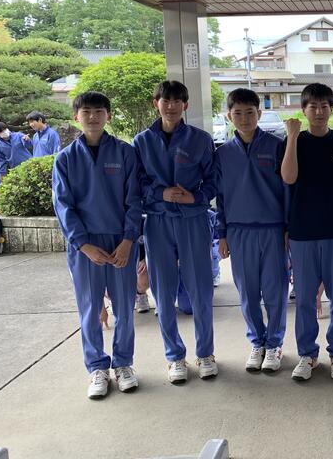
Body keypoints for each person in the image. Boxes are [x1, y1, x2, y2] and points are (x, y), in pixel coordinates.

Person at [52, 91, 142, 399]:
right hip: (85, 246)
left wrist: (129, 240)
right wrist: (83, 244)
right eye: (86, 111)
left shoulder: (125, 153)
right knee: (90, 310)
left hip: (121, 242)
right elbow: (63, 205)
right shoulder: (66, 159)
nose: (92, 116)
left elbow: (134, 200)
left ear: (108, 116)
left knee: (125, 308)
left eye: (99, 111)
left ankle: (124, 364)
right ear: (76, 116)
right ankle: (97, 368)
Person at [133, 80, 218, 384]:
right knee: (163, 290)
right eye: (165, 100)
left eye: (176, 101)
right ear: (156, 104)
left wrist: (196, 196)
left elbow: (214, 180)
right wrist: (160, 193)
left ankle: (206, 353)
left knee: (201, 290)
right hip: (158, 221)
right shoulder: (142, 141)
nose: (170, 106)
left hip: (193, 219)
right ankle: (174, 356)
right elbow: (136, 181)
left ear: (186, 105)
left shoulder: (200, 139)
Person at [282, 83, 333, 381]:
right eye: (313, 106)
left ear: (332, 109)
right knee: (305, 298)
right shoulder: (294, 141)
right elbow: (289, 178)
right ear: (304, 110)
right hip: (302, 232)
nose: (319, 111)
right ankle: (307, 354)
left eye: (324, 106)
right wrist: (291, 137)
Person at [215, 88, 289, 373]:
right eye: (238, 113)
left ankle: (275, 344)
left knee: (275, 291)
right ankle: (257, 342)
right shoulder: (223, 153)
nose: (244, 118)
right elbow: (220, 197)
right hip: (239, 231)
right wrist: (222, 234)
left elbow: (287, 190)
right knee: (247, 293)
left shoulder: (276, 146)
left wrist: (288, 227)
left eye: (250, 112)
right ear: (228, 116)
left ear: (259, 113)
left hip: (273, 229)